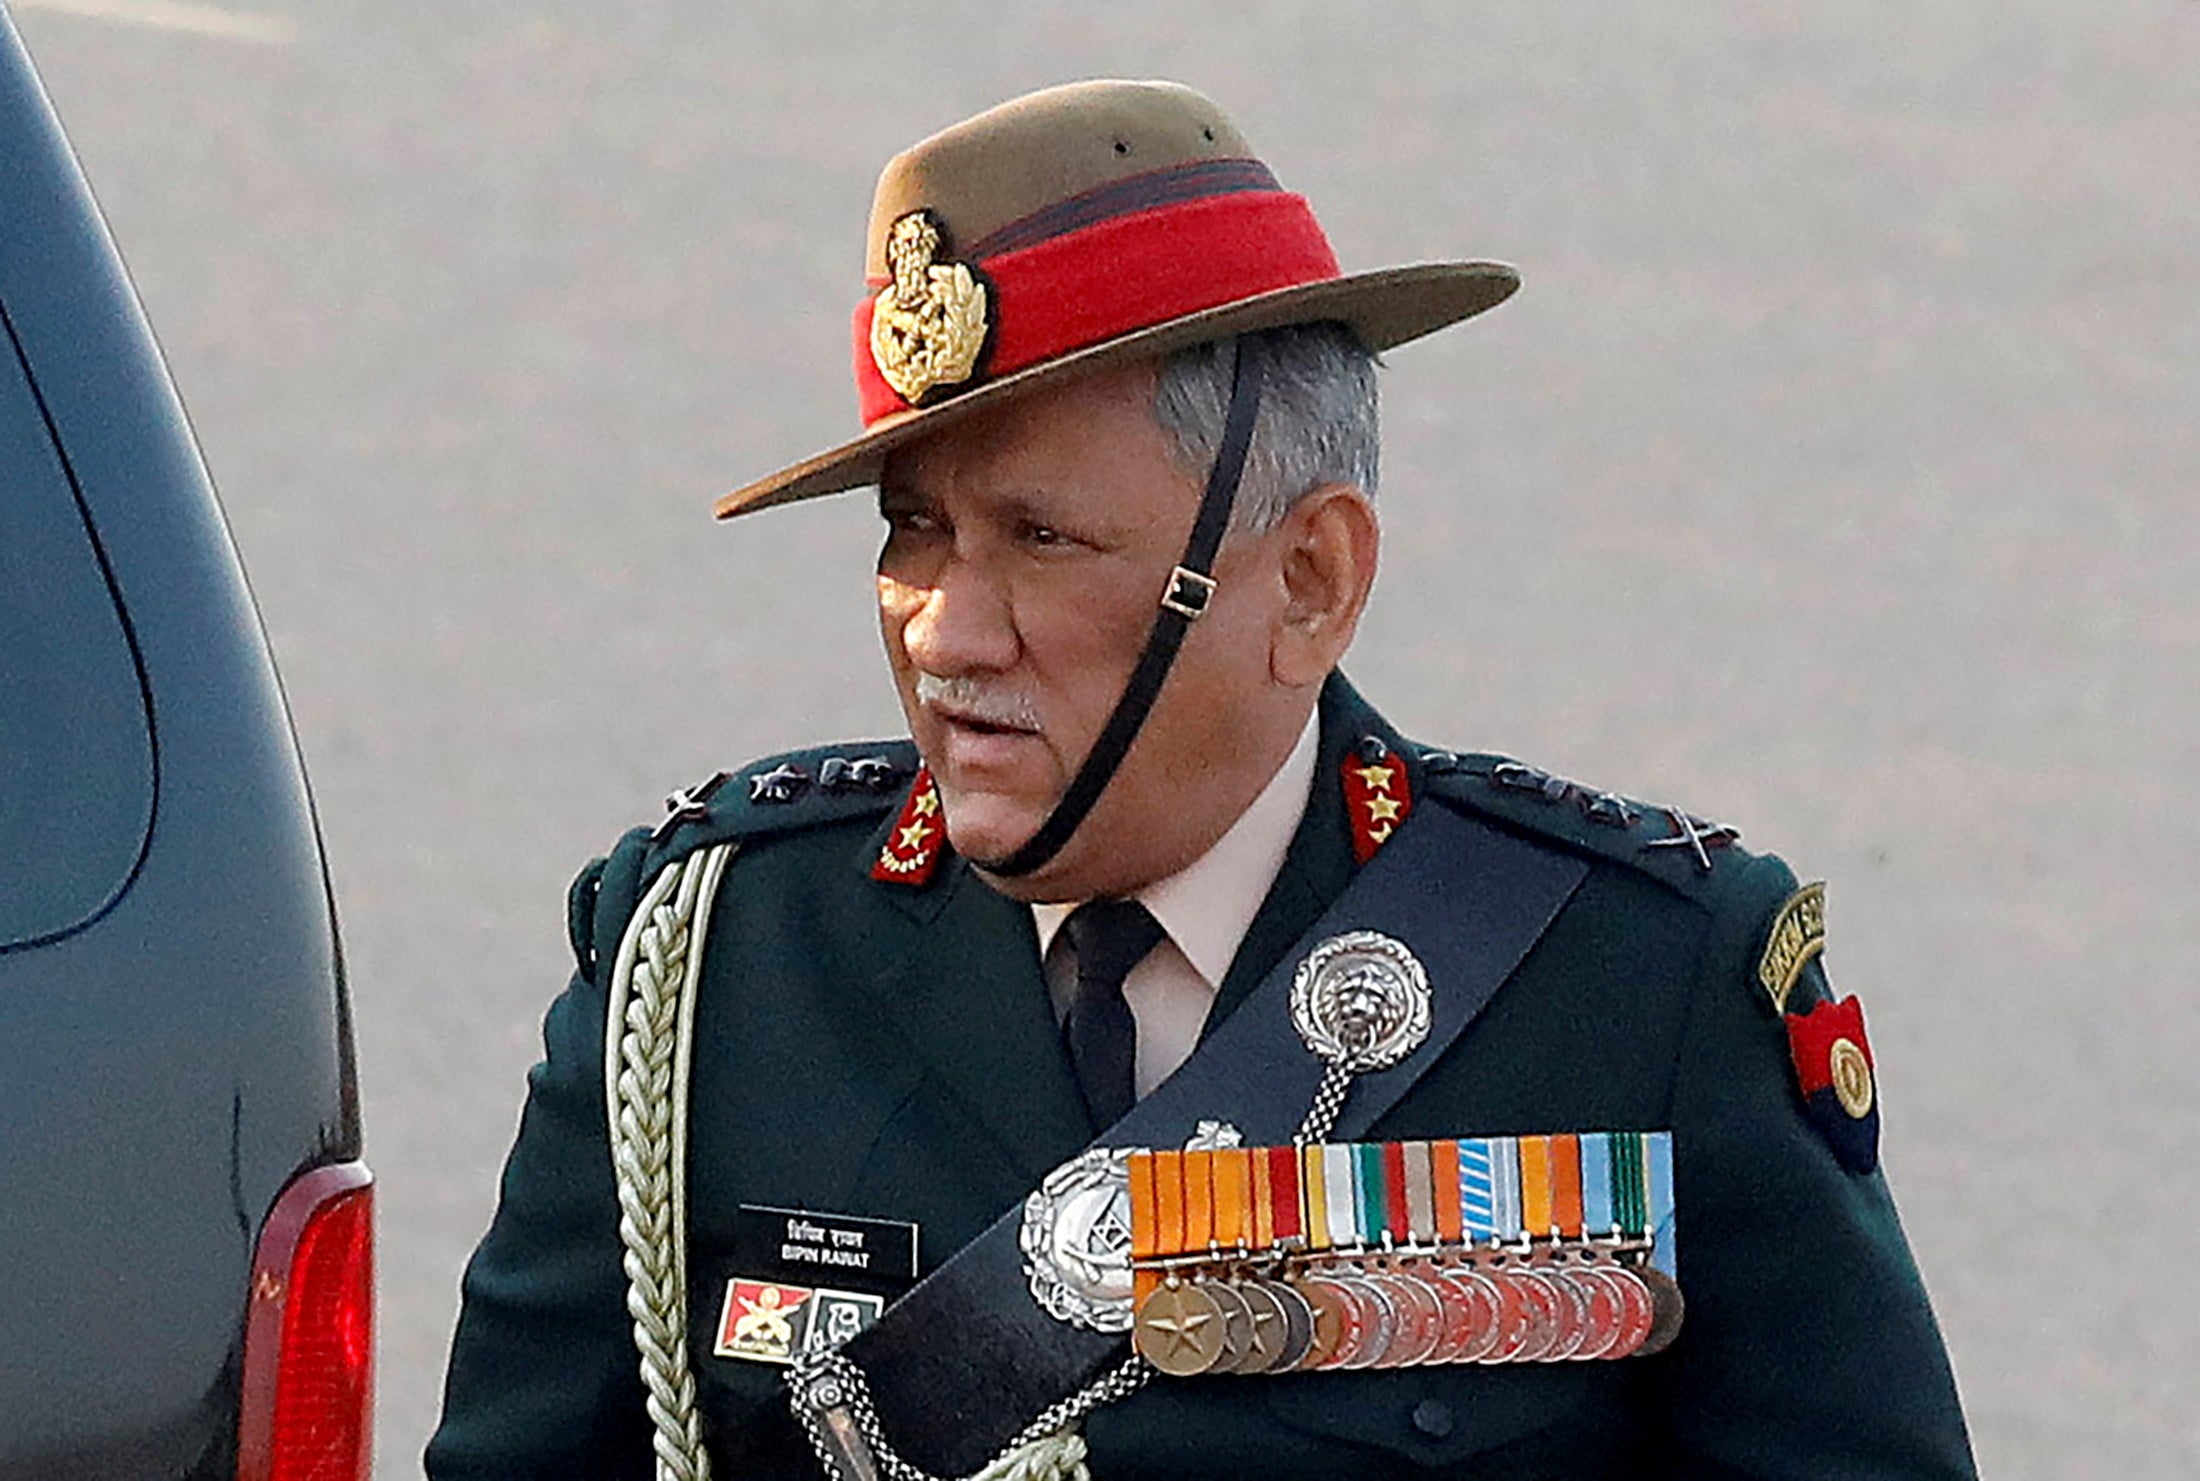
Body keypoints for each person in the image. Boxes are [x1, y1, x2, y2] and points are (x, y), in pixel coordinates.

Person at [428, 79, 1976, 1480]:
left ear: (1307, 579)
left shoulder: (1638, 987)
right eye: (914, 532)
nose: (948, 632)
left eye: (1042, 538)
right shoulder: (714, 965)